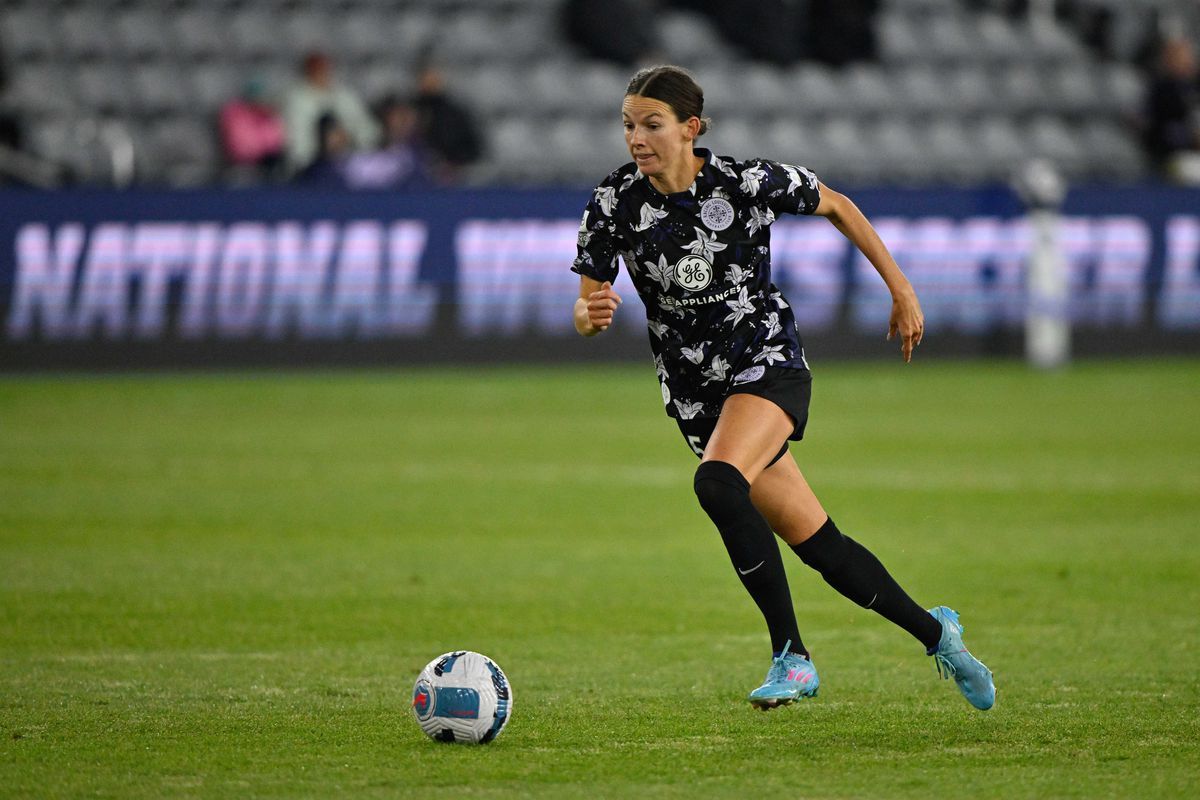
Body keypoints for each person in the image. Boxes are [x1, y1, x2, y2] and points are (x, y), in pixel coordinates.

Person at [571, 65, 995, 711]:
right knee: (820, 545)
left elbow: (838, 205)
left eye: (651, 124)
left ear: (690, 128)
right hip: (695, 394)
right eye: (628, 124)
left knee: (717, 483)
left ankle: (792, 656)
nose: (636, 138)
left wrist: (902, 290)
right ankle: (940, 636)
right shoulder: (613, 200)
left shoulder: (744, 181)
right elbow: (587, 303)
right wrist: (589, 317)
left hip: (765, 361)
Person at [282, 52, 380, 175]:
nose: (322, 74)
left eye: (324, 69)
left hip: (351, 161)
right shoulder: (296, 99)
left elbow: (366, 128)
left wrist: (352, 142)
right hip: (312, 167)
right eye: (317, 70)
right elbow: (297, 142)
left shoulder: (344, 95)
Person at [1142, 36, 1200, 183]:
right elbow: (1161, 130)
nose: (1188, 61)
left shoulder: (1193, 86)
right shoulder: (1162, 89)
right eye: (1180, 56)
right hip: (1171, 159)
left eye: (1188, 56)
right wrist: (1192, 138)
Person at [218, 76, 286, 176]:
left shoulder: (269, 115)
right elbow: (241, 146)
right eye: (256, 98)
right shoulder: (235, 115)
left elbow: (277, 142)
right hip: (245, 163)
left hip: (269, 161)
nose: (259, 101)